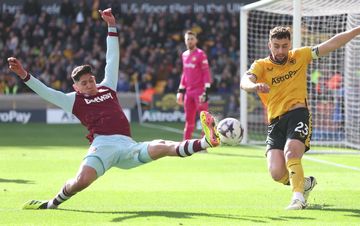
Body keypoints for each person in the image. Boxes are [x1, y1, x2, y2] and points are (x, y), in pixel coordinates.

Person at [8, 9, 220, 210]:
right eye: (84, 83)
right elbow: (46, 92)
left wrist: (111, 26)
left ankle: (206, 141)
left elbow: (112, 60)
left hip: (127, 145)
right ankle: (51, 203)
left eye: (91, 80)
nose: (90, 84)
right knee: (82, 181)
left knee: (161, 146)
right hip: (103, 145)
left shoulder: (107, 87)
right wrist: (23, 74)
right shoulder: (73, 100)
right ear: (76, 87)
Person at [240, 17, 360, 210]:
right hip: (275, 121)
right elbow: (244, 81)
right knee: (276, 173)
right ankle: (305, 184)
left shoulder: (300, 55)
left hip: (298, 113)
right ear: (269, 45)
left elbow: (333, 43)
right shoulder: (261, 65)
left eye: (285, 46)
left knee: (291, 152)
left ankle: (298, 198)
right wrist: (254, 86)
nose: (281, 51)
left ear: (290, 44)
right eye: (277, 46)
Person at [176, 31, 212, 140]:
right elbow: (184, 74)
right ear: (185, 41)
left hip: (200, 91)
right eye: (188, 39)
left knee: (203, 118)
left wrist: (206, 91)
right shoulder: (184, 55)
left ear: (196, 40)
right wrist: (180, 91)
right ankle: (185, 144)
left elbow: (206, 73)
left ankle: (204, 145)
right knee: (188, 120)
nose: (190, 41)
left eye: (192, 39)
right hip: (188, 92)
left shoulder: (201, 54)